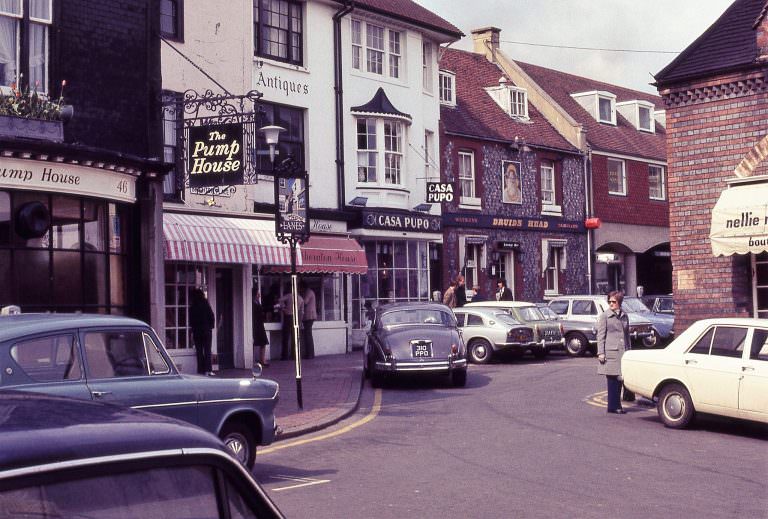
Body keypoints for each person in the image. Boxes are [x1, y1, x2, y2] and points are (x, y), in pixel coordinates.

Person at [597, 290, 630, 414]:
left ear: (619, 302)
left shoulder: (624, 315)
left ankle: (616, 405)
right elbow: (600, 336)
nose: (611, 304)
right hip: (610, 352)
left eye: (613, 301)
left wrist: (629, 351)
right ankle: (614, 406)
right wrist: (601, 352)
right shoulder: (605, 316)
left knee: (621, 378)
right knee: (612, 380)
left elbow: (627, 335)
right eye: (609, 301)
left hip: (623, 352)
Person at [189, 288, 215, 375]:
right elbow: (212, 316)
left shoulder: (193, 306)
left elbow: (191, 320)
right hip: (206, 330)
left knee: (199, 351)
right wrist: (211, 326)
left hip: (197, 331)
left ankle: (201, 370)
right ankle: (208, 370)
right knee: (207, 350)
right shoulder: (206, 304)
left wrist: (192, 330)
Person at [279, 287, 304, 361]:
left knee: (286, 337)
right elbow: (302, 312)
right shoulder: (301, 298)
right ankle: (294, 355)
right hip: (296, 318)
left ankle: (285, 356)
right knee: (295, 337)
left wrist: (283, 308)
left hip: (288, 316)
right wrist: (300, 321)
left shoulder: (289, 295)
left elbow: (280, 300)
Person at [300, 281, 317, 359]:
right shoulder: (309, 292)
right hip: (308, 316)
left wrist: (299, 299)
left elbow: (305, 302)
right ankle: (310, 353)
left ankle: (310, 354)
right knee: (308, 335)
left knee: (308, 335)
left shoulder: (308, 292)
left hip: (309, 316)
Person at [252, 292, 269, 367]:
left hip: (260, 324)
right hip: (255, 324)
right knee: (253, 342)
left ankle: (262, 359)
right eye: (257, 293)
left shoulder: (257, 302)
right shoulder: (252, 304)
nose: (259, 294)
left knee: (263, 342)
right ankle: (253, 360)